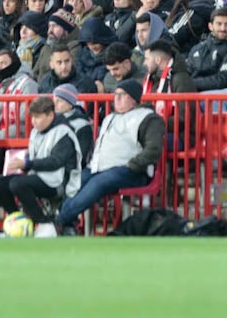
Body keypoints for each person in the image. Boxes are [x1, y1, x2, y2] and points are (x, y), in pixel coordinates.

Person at [51, 79, 163, 234]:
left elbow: (153, 150)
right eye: (115, 94)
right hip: (99, 167)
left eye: (122, 95)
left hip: (130, 170)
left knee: (98, 183)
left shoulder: (149, 118)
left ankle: (58, 221)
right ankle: (67, 225)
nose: (116, 98)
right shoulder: (110, 117)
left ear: (134, 99)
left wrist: (132, 165)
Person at [0, 94, 84, 228]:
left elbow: (55, 162)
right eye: (32, 117)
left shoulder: (63, 133)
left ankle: (43, 223)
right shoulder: (36, 131)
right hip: (37, 176)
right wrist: (25, 163)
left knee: (18, 184)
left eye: (38, 117)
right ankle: (19, 221)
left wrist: (28, 164)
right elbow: (32, 155)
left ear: (51, 115)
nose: (33, 121)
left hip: (58, 182)